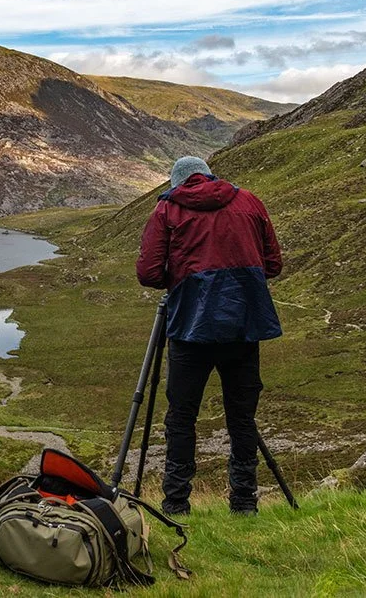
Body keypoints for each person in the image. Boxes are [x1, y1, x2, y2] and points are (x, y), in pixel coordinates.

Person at [136, 156, 282, 516]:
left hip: (191, 327)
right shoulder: (249, 201)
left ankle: (176, 504)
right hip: (243, 327)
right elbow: (273, 264)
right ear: (208, 175)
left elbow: (149, 272)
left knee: (182, 416)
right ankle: (245, 503)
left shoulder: (168, 210)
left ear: (177, 183)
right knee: (242, 417)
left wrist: (184, 276)